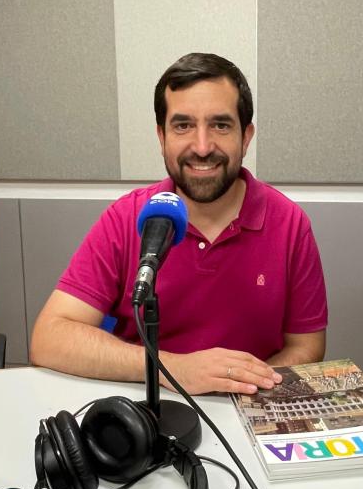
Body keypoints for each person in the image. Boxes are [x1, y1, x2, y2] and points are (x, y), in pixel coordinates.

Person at [30, 52, 327, 395]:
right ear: (162, 137)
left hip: (248, 411)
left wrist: (236, 385)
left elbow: (308, 347)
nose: (202, 147)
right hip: (148, 409)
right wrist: (173, 370)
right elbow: (50, 338)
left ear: (246, 136)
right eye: (183, 125)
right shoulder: (127, 217)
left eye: (220, 125)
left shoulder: (290, 224)